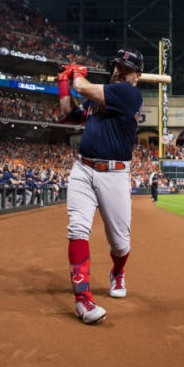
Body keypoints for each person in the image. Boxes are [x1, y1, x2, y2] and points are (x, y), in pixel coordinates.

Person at [58, 47, 143, 324]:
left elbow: (82, 86)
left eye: (126, 68)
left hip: (114, 174)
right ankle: (82, 300)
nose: (118, 70)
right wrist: (63, 83)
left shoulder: (130, 94)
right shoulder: (103, 95)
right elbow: (70, 116)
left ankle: (117, 272)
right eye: (116, 66)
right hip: (83, 168)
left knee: (120, 244)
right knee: (78, 228)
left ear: (137, 76)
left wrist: (77, 75)